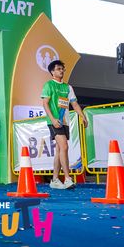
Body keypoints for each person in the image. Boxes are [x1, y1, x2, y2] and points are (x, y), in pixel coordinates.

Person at [41, 60, 85, 190]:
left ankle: (54, 179)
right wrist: (53, 119)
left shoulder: (68, 87)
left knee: (60, 150)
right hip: (54, 121)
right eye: (58, 69)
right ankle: (67, 178)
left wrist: (82, 116)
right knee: (64, 147)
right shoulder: (48, 85)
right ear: (52, 72)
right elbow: (45, 103)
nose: (61, 71)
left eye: (62, 69)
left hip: (65, 122)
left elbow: (74, 104)